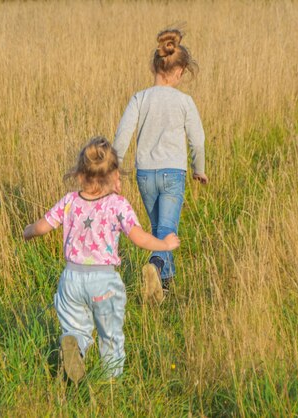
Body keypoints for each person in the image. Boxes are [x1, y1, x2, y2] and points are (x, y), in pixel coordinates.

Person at [23, 136, 180, 383]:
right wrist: (164, 244)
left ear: (80, 174)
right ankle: (111, 383)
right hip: (104, 280)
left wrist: (28, 231)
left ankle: (75, 344)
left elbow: (42, 226)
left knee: (76, 327)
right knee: (111, 334)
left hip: (71, 278)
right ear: (114, 175)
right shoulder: (118, 205)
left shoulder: (70, 201)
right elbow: (139, 237)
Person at [113, 28, 207, 303]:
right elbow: (198, 141)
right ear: (178, 73)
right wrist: (198, 168)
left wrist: (115, 170)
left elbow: (122, 136)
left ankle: (163, 289)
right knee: (166, 231)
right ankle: (155, 265)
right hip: (173, 174)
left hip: (145, 174)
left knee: (160, 230)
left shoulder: (139, 99)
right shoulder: (184, 102)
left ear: (155, 65)